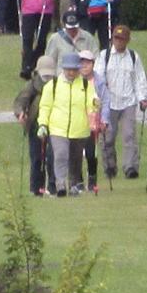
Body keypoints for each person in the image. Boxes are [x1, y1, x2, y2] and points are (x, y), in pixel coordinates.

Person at [38, 52, 97, 197]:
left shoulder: (85, 84)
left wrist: (95, 106)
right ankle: (60, 184)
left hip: (80, 129)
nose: (71, 72)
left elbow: (91, 103)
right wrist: (43, 124)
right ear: (63, 69)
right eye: (68, 69)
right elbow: (45, 106)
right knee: (61, 154)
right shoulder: (53, 85)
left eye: (74, 69)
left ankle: (73, 184)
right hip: (58, 128)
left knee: (76, 159)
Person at [94, 25, 147, 179]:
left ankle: (130, 167)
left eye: (122, 39)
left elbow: (139, 79)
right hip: (109, 103)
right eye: (116, 38)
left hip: (128, 102)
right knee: (108, 137)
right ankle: (109, 167)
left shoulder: (133, 57)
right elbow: (98, 79)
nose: (118, 42)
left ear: (127, 40)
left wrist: (142, 98)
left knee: (129, 136)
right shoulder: (104, 56)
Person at [14, 55, 57, 196]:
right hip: (35, 125)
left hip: (55, 125)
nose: (47, 78)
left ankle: (53, 186)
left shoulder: (59, 85)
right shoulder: (31, 85)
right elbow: (20, 101)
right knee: (37, 157)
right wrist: (21, 113)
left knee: (52, 157)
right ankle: (36, 188)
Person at [78, 49, 110, 193]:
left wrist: (104, 119)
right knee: (76, 155)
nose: (84, 65)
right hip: (76, 124)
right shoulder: (74, 80)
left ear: (93, 64)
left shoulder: (99, 82)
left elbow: (105, 101)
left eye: (87, 62)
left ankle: (92, 179)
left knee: (91, 154)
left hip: (92, 124)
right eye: (81, 62)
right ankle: (77, 181)